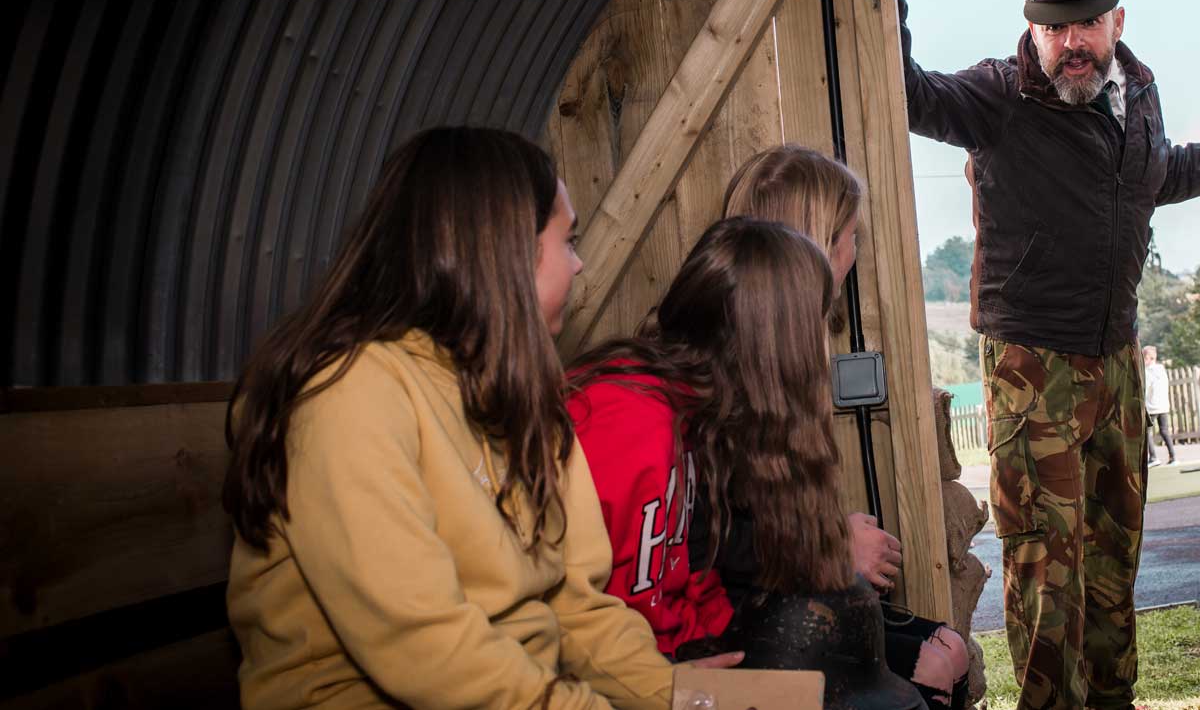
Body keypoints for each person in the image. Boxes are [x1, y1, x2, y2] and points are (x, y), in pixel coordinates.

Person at [889, 0, 1200, 709]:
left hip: (1119, 362)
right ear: (1033, 30)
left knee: (1111, 563)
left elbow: (1166, 177)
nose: (1072, 43)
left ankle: (1113, 703)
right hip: (1033, 365)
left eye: (1086, 24)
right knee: (1045, 571)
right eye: (1055, 27)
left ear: (1116, 22)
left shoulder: (1140, 95)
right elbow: (908, 92)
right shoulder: (998, 96)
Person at [223, 128, 720, 710]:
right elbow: (424, 646)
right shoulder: (347, 394)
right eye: (569, 241)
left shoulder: (524, 404)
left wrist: (683, 701)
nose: (581, 264)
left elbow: (580, 613)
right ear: (506, 253)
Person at [567, 218, 909, 698]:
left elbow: (692, 578)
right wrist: (687, 684)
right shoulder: (626, 418)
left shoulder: (695, 417)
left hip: (680, 662)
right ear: (776, 343)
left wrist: (734, 648)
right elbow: (581, 618)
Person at [721, 144, 970, 707]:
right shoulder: (732, 367)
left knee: (945, 647)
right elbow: (708, 538)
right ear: (814, 246)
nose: (854, 252)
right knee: (933, 664)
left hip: (774, 598)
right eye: (850, 236)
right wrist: (829, 550)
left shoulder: (779, 353)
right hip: (740, 625)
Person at [1143, 346, 1175, 467]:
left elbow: (1145, 390)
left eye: (1144, 358)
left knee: (1146, 433)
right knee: (1164, 431)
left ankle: (1153, 457)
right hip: (1163, 406)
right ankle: (1173, 457)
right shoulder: (1161, 370)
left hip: (1151, 407)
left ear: (1150, 358)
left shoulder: (1147, 372)